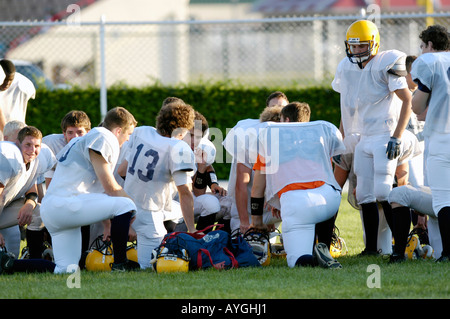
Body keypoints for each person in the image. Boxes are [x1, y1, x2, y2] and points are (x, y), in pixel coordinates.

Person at [332, 19, 412, 255]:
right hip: (364, 137)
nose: (357, 51)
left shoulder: (386, 62)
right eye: (354, 46)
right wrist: (342, 139)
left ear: (374, 44)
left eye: (362, 46)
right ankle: (370, 249)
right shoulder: (347, 68)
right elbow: (347, 110)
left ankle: (400, 249)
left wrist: (396, 137)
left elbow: (407, 100)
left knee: (384, 191)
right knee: (364, 194)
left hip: (384, 135)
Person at [40, 106, 139, 273]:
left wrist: (108, 225)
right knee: (126, 205)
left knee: (66, 269)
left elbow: (99, 194)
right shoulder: (103, 136)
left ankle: (10, 264)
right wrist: (134, 210)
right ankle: (120, 264)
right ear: (118, 130)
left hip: (53, 208)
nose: (128, 139)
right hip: (67, 204)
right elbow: (111, 188)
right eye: (128, 134)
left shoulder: (85, 139)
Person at [250, 102, 345, 268]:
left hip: (296, 203)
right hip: (329, 200)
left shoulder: (273, 141)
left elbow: (258, 188)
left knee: (300, 261)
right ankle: (323, 245)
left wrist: (256, 221)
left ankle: (309, 255)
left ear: (286, 120)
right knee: (326, 196)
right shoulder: (319, 138)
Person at [117, 101, 197, 270]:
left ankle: (166, 227)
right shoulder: (179, 147)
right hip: (149, 214)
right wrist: (191, 229)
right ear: (183, 129)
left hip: (128, 206)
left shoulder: (141, 131)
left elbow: (122, 171)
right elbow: (185, 193)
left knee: (173, 210)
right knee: (150, 268)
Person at [409, 24, 450, 262]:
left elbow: (417, 107)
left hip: (442, 138)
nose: (422, 50)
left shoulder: (431, 62)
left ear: (431, 45)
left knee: (444, 199)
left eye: (423, 46)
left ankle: (447, 252)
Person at [223, 92, 289, 234]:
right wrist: (245, 222)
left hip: (273, 211)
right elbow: (241, 184)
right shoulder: (249, 136)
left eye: (282, 107)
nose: (278, 111)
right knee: (248, 247)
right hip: (247, 211)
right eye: (274, 107)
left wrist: (276, 202)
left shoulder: (288, 138)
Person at [0, 126, 55, 257]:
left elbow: (31, 188)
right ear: (18, 143)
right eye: (28, 145)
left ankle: (35, 258)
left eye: (36, 145)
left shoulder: (38, 159)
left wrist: (29, 204)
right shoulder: (8, 156)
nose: (32, 150)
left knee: (38, 212)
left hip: (4, 208)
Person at [0, 59, 36, 138]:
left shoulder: (22, 84)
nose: (7, 83)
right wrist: (9, 135)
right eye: (5, 80)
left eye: (10, 80)